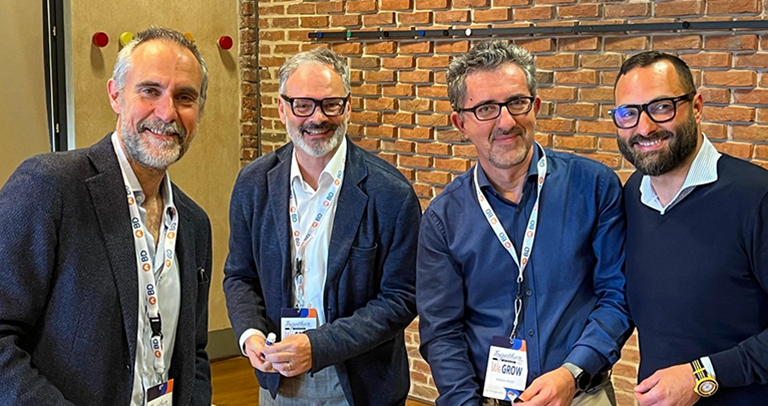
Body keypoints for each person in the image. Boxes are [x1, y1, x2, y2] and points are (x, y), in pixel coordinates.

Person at [0, 27, 212, 405]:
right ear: (115, 94)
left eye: (185, 97)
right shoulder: (50, 187)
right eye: (150, 91)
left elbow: (193, 353)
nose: (167, 113)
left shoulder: (194, 223)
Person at [417, 40, 632, 406]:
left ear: (535, 106)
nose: (506, 122)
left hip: (582, 393)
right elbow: (442, 333)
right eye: (485, 108)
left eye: (516, 102)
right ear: (460, 122)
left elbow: (618, 294)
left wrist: (572, 373)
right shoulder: (443, 219)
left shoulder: (595, 186)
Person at [222, 47, 421, 406]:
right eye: (303, 105)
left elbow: (402, 298)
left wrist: (318, 346)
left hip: (360, 382)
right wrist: (250, 334)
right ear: (282, 108)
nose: (317, 117)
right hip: (278, 376)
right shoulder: (253, 184)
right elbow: (240, 275)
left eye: (330, 104)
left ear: (347, 107)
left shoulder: (391, 193)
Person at [613, 51, 768, 406]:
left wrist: (703, 375)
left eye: (662, 107)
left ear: (696, 106)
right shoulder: (631, 199)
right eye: (628, 113)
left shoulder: (755, 197)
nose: (644, 127)